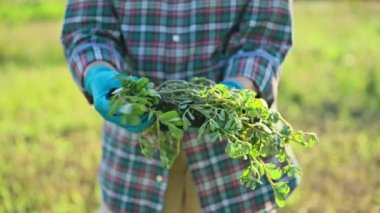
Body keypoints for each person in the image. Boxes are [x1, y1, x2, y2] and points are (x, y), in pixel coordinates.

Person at [61, 0, 298, 212]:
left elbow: (265, 38)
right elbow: (87, 30)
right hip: (136, 165)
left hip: (230, 165)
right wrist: (99, 72)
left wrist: (237, 91)